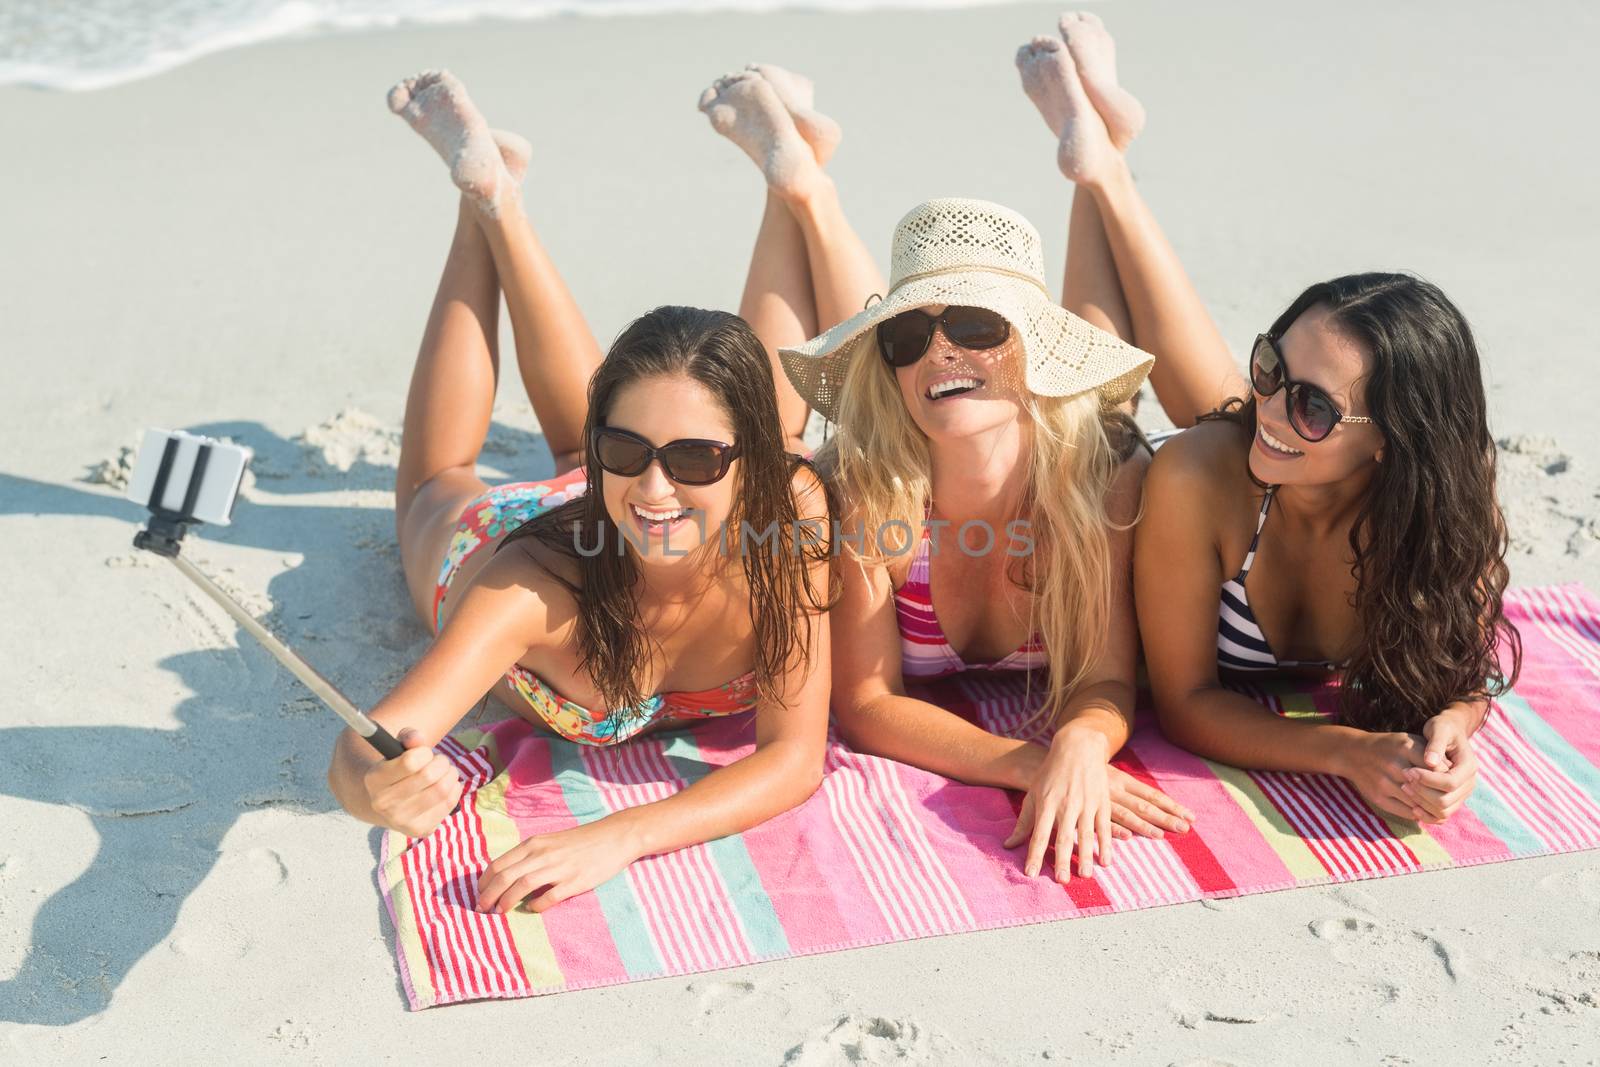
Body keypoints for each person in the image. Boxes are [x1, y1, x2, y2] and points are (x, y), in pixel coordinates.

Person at [326, 70, 836, 915]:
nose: (658, 485)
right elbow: (374, 742)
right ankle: (479, 210)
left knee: (598, 447)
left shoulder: (792, 517)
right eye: (625, 448)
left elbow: (792, 758)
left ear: (755, 465)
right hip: (510, 536)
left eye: (700, 457)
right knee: (433, 483)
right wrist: (369, 784)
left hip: (620, 516)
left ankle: (501, 191)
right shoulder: (524, 590)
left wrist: (621, 833)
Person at [1013, 14, 1520, 822]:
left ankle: (1106, 153)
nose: (1275, 406)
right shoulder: (1197, 475)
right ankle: (1099, 172)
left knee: (1221, 409)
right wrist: (1344, 751)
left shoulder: (1445, 513)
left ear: (1394, 444)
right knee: (1095, 409)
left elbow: (1462, 672)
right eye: (1272, 366)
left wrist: (1453, 730)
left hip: (1286, 474)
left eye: (1313, 403)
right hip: (1233, 481)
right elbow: (1183, 701)